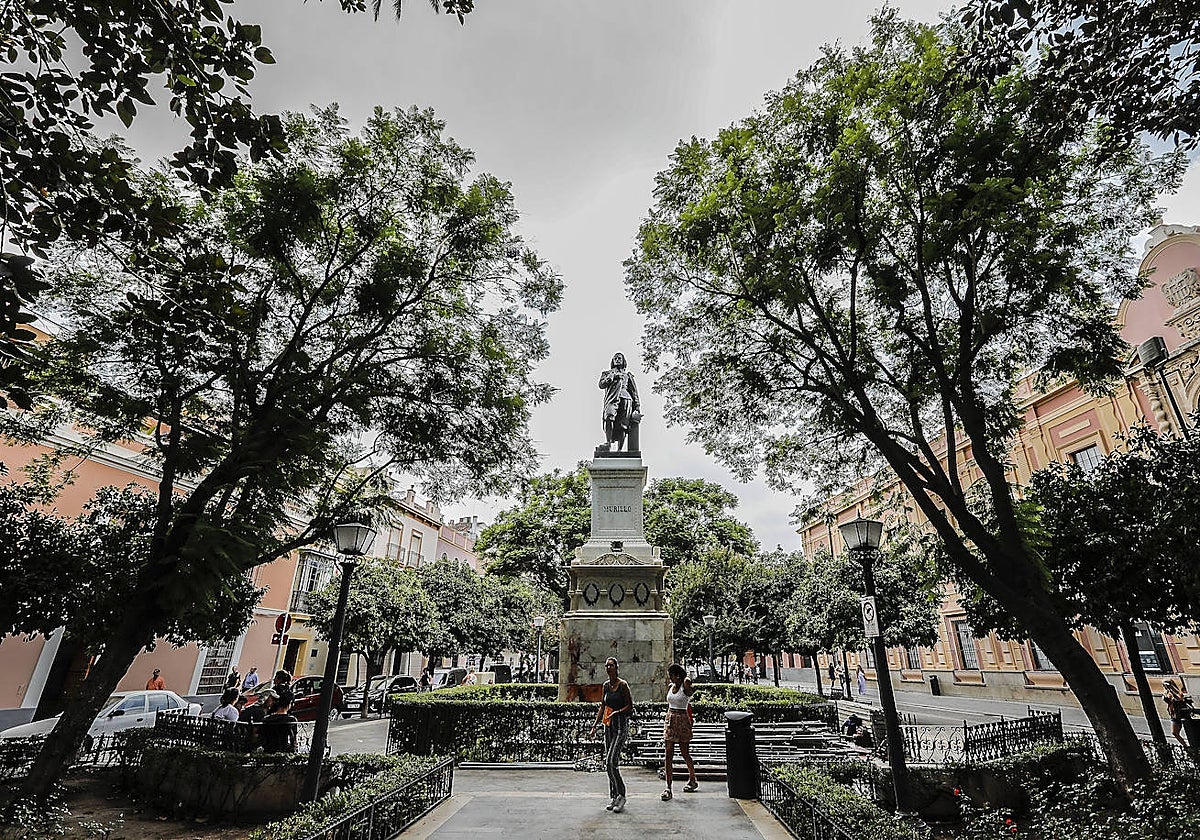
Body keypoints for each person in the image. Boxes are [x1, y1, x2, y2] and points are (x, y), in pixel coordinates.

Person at [589, 657, 633, 814]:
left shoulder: (623, 685)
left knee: (611, 761)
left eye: (611, 665)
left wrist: (618, 712)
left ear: (616, 667)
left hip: (620, 727)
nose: (608, 668)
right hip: (608, 727)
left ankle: (622, 794)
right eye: (606, 665)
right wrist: (594, 726)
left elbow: (630, 706)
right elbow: (603, 706)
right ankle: (614, 795)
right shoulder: (606, 686)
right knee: (608, 764)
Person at [661, 663, 698, 801]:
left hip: (682, 719)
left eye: (672, 675)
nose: (670, 678)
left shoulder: (685, 683)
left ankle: (692, 778)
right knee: (668, 752)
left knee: (684, 752)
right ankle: (668, 787)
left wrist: (686, 682)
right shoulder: (671, 687)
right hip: (671, 718)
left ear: (677, 675)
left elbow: (690, 692)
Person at [598, 352, 641, 452]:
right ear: (613, 361)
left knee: (623, 425)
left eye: (619, 358)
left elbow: (634, 391)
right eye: (615, 358)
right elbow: (601, 385)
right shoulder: (606, 373)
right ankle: (608, 443)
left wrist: (637, 406)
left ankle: (619, 450)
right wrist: (611, 377)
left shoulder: (628, 376)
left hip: (626, 399)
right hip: (612, 398)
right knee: (608, 416)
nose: (617, 360)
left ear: (623, 361)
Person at [1164, 679, 1193, 747]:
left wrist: (1172, 691)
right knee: (1174, 733)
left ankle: (1192, 744)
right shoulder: (1166, 693)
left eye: (1167, 685)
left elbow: (1180, 698)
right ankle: (1185, 746)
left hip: (1182, 715)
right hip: (1174, 715)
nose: (1165, 686)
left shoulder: (1178, 692)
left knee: (1190, 731)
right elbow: (1166, 700)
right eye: (1164, 685)